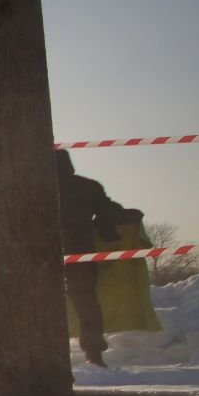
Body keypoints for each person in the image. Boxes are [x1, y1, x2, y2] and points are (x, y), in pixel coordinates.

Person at [55, 148, 147, 367]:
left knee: (41, 301)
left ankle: (43, 351)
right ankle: (94, 353)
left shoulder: (35, 189)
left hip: (41, 254)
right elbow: (107, 219)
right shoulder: (89, 186)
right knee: (86, 302)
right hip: (80, 251)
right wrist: (113, 232)